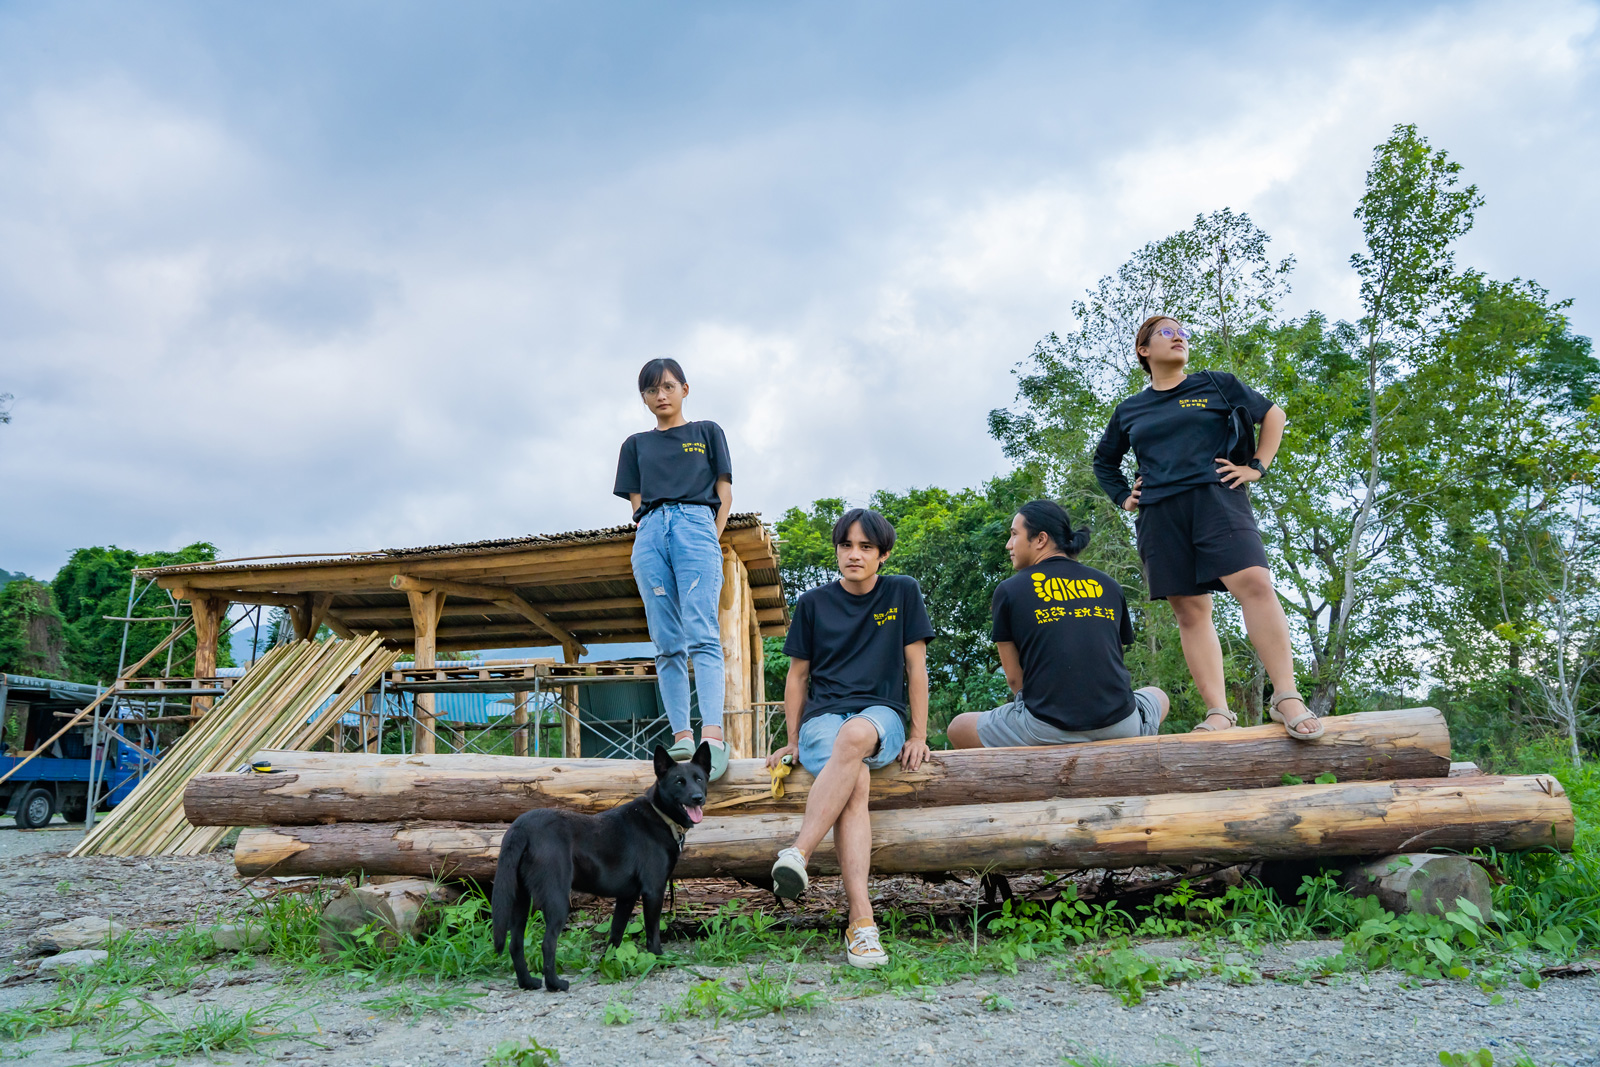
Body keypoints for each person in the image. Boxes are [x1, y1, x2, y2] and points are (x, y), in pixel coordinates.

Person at [1092, 315, 1319, 739]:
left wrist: (1256, 467)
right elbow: (1104, 461)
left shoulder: (1216, 384)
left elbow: (1273, 415)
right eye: (1166, 332)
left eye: (1183, 333)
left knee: (1254, 582)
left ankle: (1286, 697)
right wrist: (1124, 495)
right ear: (1144, 350)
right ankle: (1219, 712)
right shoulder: (1130, 409)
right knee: (1190, 611)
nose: (1179, 337)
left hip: (1217, 498)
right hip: (1159, 513)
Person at [764, 508, 934, 969]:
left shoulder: (903, 592)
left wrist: (919, 733)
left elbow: (916, 668)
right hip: (822, 719)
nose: (854, 555)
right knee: (854, 777)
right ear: (837, 550)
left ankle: (798, 853)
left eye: (865, 547)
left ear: (883, 554)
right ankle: (862, 924)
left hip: (881, 716)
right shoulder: (814, 603)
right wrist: (794, 740)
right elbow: (797, 678)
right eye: (846, 546)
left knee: (856, 736)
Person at [946, 500, 1168, 748]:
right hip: (1121, 725)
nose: (1008, 545)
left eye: (1014, 535)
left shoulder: (1009, 591)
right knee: (1158, 696)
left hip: (1046, 729)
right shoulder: (1109, 584)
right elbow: (1112, 660)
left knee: (958, 727)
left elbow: (1015, 682)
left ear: (1040, 539)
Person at [614, 358, 735, 780]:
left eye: (667, 386)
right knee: (666, 641)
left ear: (685, 388)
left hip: (696, 525)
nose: (660, 396)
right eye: (650, 390)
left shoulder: (706, 432)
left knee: (702, 632)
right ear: (644, 397)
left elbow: (724, 493)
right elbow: (636, 501)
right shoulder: (635, 444)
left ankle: (712, 735)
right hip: (651, 531)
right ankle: (682, 734)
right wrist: (652, 527)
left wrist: (709, 536)